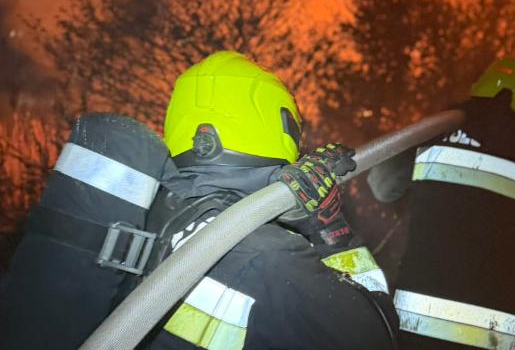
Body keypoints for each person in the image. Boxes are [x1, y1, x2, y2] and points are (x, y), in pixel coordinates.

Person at [141, 51, 398, 350]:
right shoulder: (272, 260)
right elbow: (380, 337)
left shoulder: (145, 214)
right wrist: (331, 231)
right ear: (281, 127)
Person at [367, 57, 515, 350]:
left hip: (421, 321)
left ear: (481, 87)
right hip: (498, 332)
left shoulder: (437, 134)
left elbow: (381, 184)